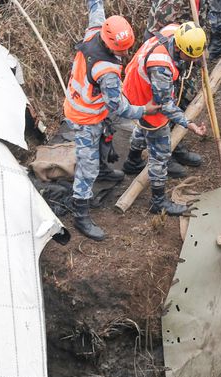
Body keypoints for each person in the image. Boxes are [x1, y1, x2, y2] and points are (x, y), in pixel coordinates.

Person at [63, 0, 160, 241]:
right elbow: (119, 107)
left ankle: (104, 171)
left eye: (128, 48)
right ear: (109, 44)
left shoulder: (96, 29)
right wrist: (144, 110)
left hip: (88, 104)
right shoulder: (106, 72)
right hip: (84, 116)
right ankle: (81, 212)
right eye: (122, 51)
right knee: (87, 166)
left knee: (104, 140)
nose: (126, 54)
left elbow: (96, 6)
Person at [122, 21, 209, 216]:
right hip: (144, 99)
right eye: (191, 57)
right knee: (160, 153)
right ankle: (158, 202)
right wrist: (190, 124)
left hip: (135, 87)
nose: (193, 61)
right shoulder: (160, 68)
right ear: (179, 49)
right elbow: (165, 106)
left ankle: (133, 161)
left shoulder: (174, 31)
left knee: (142, 127)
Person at [143, 0, 209, 171]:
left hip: (185, 50)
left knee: (185, 96)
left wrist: (199, 50)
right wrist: (189, 124)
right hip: (167, 57)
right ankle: (165, 151)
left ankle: (174, 142)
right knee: (162, 108)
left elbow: (199, 23)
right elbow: (160, 38)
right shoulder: (171, 5)